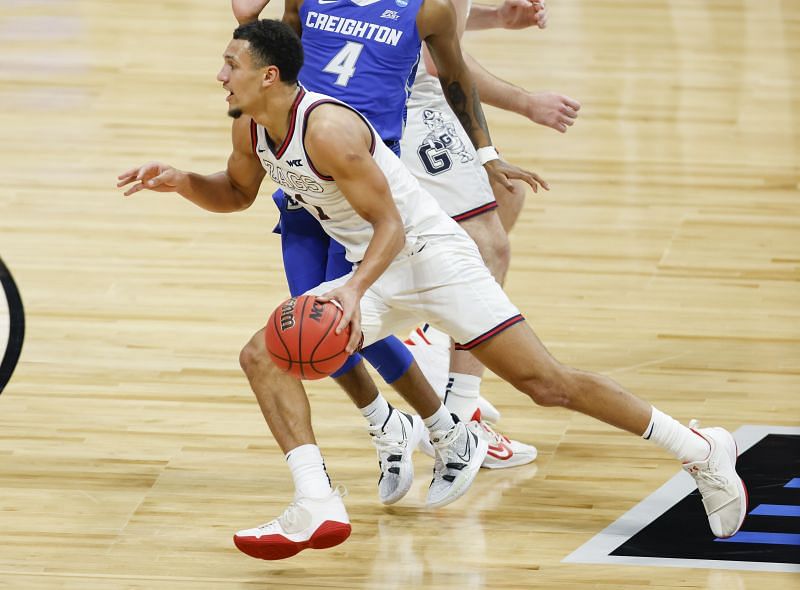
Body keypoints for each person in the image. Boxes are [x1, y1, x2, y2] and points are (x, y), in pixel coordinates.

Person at [117, 20, 747, 560]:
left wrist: (352, 293)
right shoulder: (251, 127)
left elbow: (392, 224)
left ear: (270, 76)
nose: (220, 74)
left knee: (547, 384)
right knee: (263, 355)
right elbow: (235, 193)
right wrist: (180, 181)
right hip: (378, 265)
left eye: (231, 64)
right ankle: (315, 501)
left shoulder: (328, 129)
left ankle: (699, 447)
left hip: (431, 257)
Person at [230, 0, 569, 472]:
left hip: (378, 128)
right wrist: (524, 102)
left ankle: (453, 412)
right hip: (337, 135)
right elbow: (270, 41)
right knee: (321, 313)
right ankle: (402, 419)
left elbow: (434, 37)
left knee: (487, 229)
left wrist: (492, 22)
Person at [399, 0, 582, 429]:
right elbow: (434, 59)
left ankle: (432, 331)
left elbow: (429, 19)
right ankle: (459, 420)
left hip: (415, 97)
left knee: (506, 192)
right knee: (490, 248)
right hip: (403, 103)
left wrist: (495, 18)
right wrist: (526, 103)